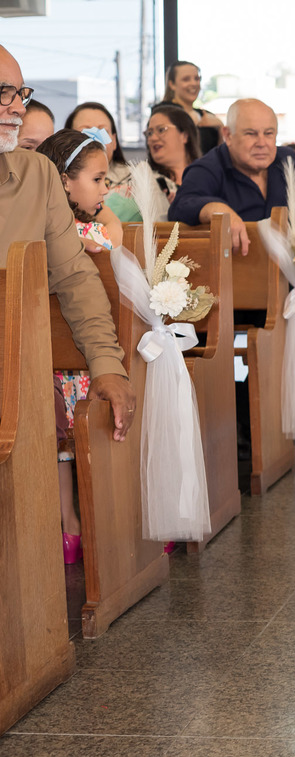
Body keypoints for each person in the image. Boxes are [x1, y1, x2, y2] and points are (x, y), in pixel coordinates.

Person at [0, 44, 136, 554]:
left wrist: (107, 364)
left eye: (21, 92)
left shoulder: (35, 176)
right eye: (3, 94)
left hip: (15, 373)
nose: (16, 106)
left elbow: (76, 277)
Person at [36, 127, 120, 562]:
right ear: (65, 181)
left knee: (62, 452)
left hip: (52, 366)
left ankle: (68, 526)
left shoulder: (38, 233)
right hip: (84, 368)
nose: (106, 189)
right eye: (99, 179)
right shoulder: (94, 238)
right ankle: (103, 524)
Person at [168, 98, 295, 255]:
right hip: (236, 281)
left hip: (289, 279)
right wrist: (216, 209)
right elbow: (180, 207)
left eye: (269, 134)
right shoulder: (208, 167)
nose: (262, 143)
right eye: (251, 134)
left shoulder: (285, 160)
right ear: (228, 135)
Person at [65, 102, 136, 223]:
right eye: (85, 131)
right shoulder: (56, 182)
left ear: (114, 141)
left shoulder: (138, 177)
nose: (95, 138)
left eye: (102, 131)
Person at [160, 60, 224, 154]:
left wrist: (220, 126)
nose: (194, 83)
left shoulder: (206, 115)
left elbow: (221, 154)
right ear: (172, 84)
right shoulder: (161, 113)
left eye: (197, 79)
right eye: (186, 79)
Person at [146, 104, 201, 204]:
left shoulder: (208, 176)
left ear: (184, 135)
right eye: (149, 133)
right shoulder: (146, 182)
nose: (153, 138)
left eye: (161, 130)